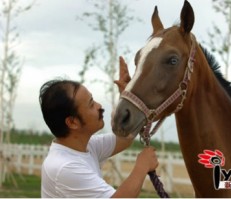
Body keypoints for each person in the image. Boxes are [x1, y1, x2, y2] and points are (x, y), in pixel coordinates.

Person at [39, 57, 158, 198]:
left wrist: (128, 98)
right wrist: (142, 167)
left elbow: (125, 137)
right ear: (72, 122)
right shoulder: (64, 167)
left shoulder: (87, 146)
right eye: (91, 104)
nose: (99, 106)